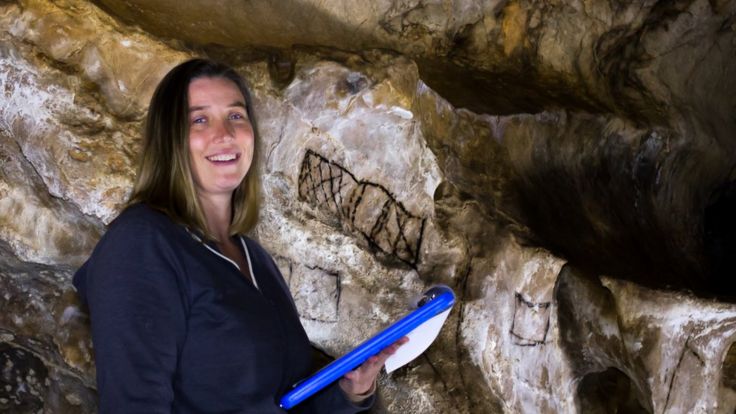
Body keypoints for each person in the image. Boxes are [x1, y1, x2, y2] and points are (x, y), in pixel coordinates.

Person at [73, 58, 406, 413]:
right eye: (199, 120)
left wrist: (351, 392)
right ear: (169, 140)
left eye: (235, 116)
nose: (225, 135)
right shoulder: (141, 244)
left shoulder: (253, 258)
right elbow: (135, 404)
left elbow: (279, 401)